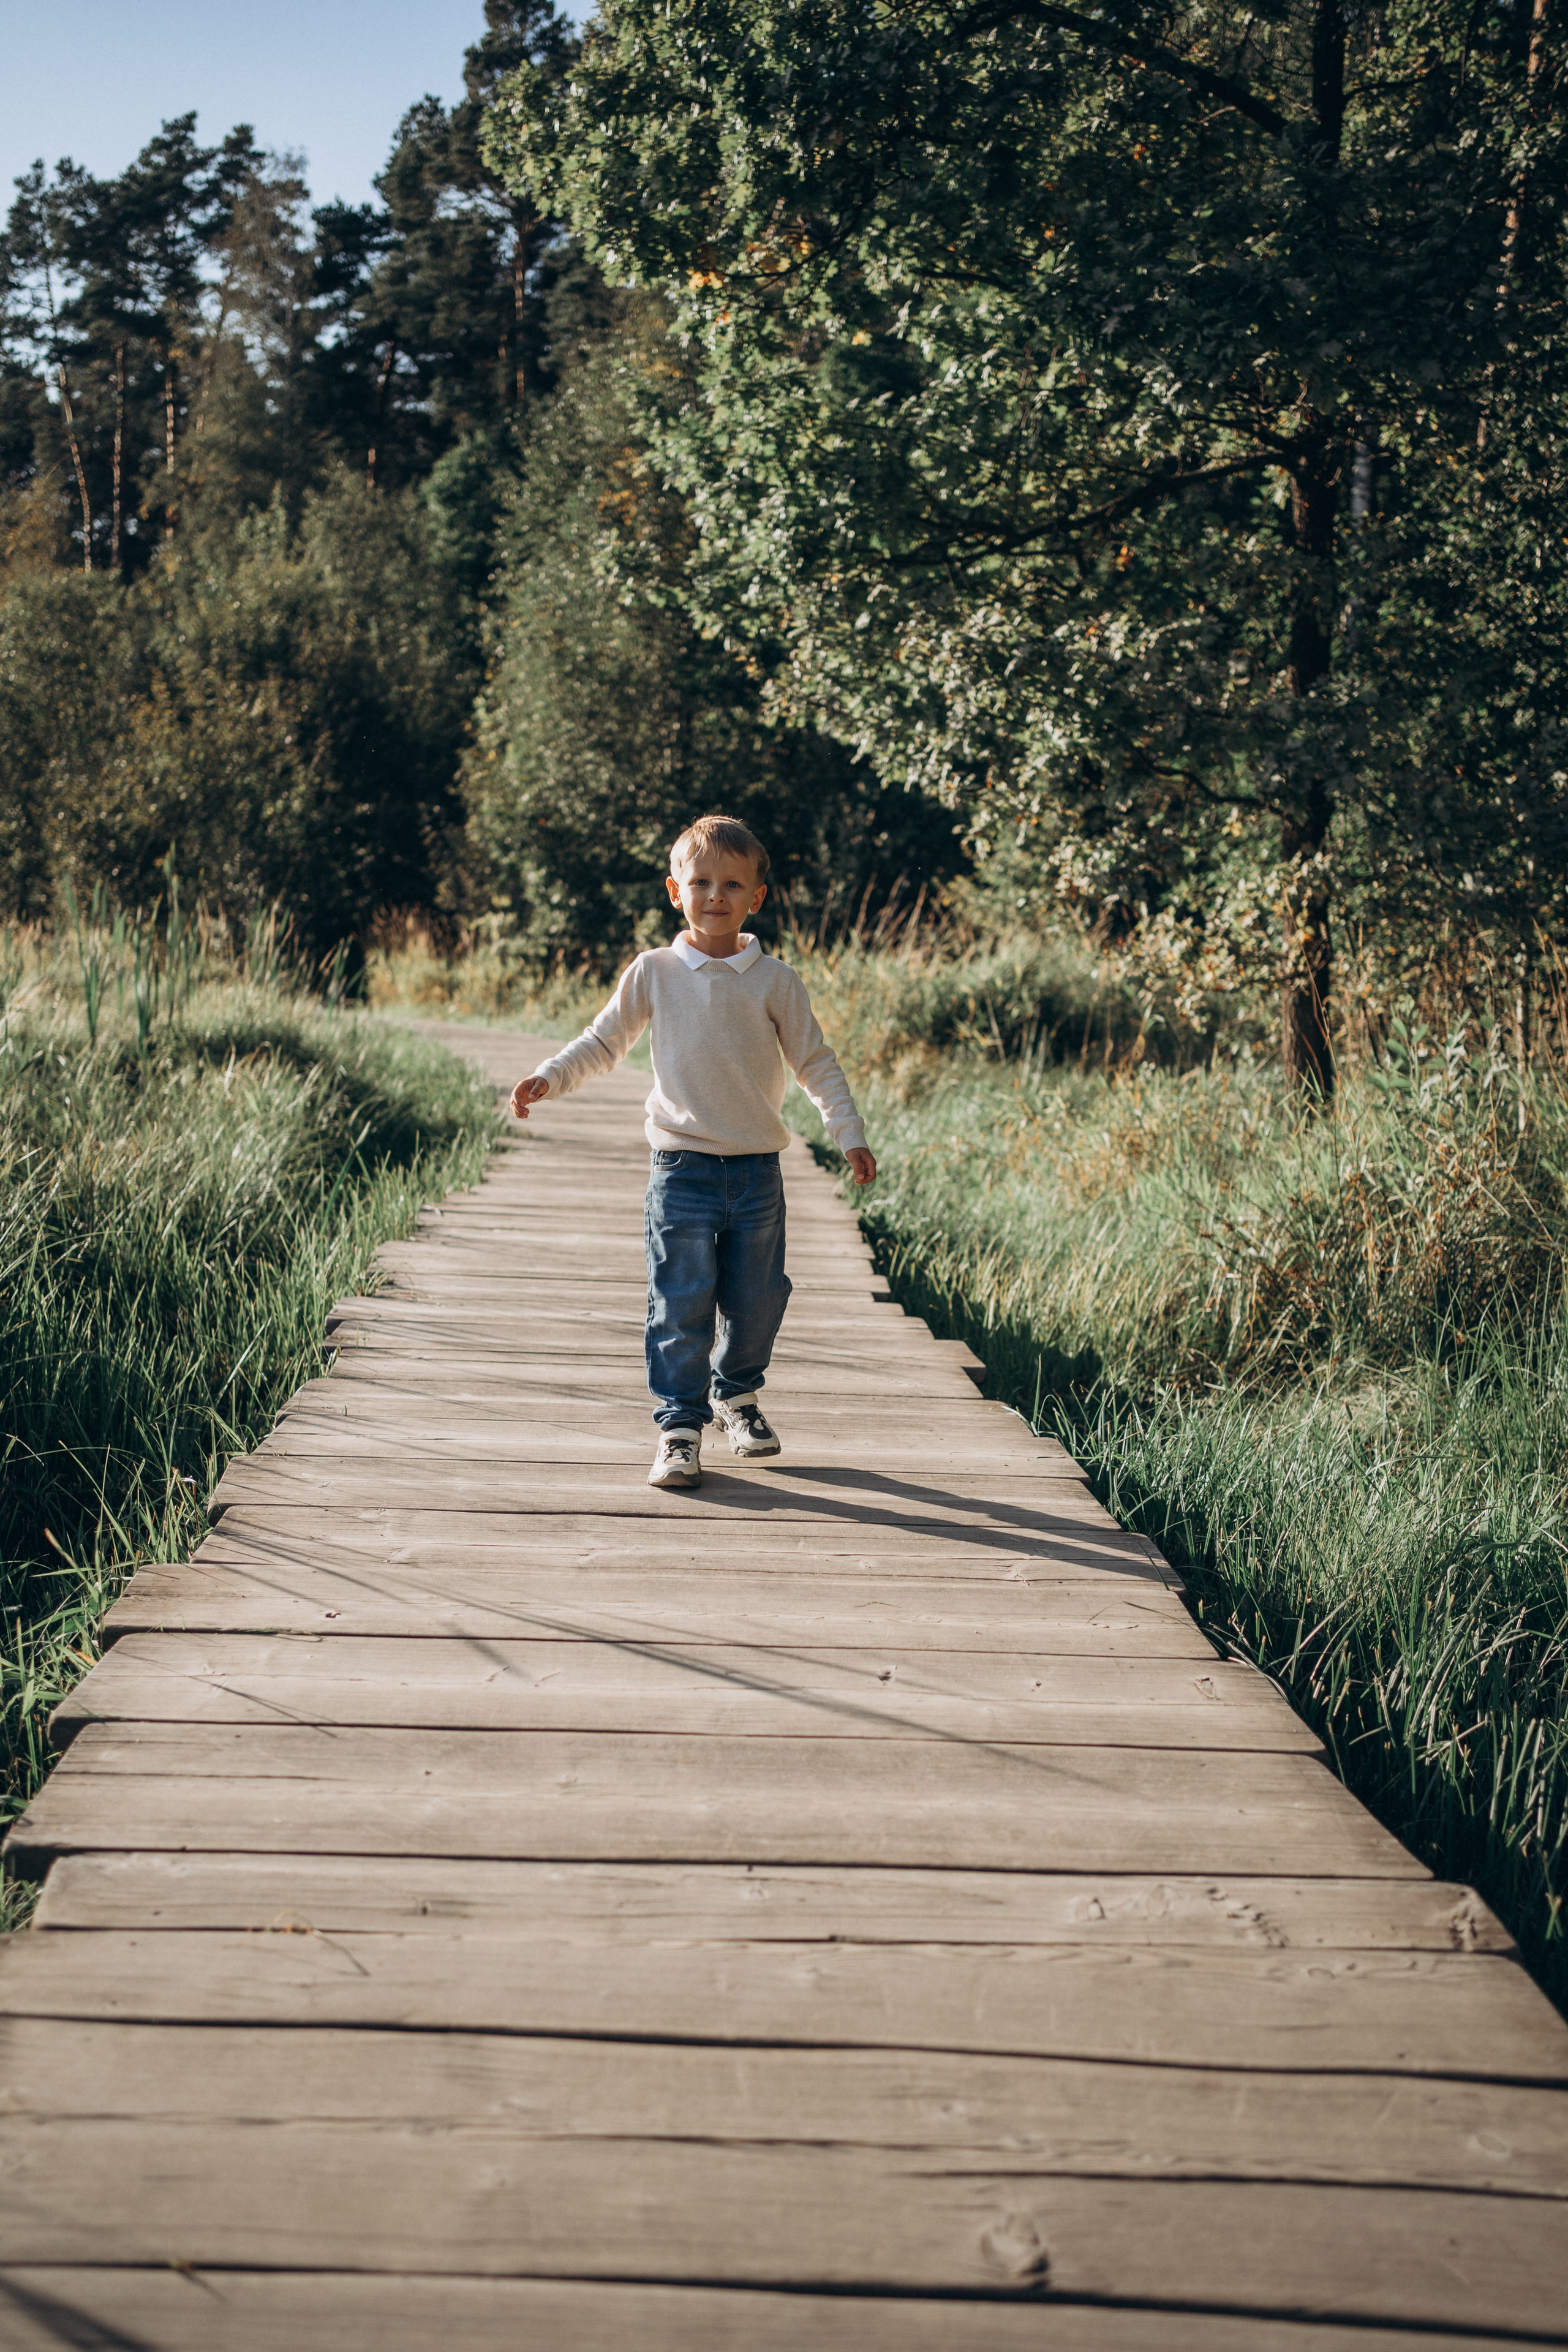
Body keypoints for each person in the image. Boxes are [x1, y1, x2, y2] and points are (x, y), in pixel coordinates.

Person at [510, 813, 876, 1489]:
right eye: (701, 882)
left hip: (757, 1172)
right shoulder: (654, 972)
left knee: (758, 1299)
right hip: (681, 1170)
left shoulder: (775, 981)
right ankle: (679, 1426)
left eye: (732, 885)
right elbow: (603, 1042)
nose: (715, 895)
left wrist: (847, 1133)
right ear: (675, 891)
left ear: (756, 897)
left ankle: (736, 1396)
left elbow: (815, 1064)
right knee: (679, 1302)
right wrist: (550, 1076)